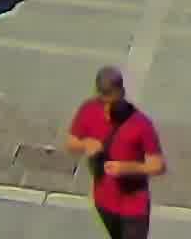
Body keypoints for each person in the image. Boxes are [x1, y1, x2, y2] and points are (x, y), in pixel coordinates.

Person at [67, 65, 165, 239]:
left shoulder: (141, 124)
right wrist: (86, 144)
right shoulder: (89, 109)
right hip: (104, 201)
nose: (107, 109)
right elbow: (70, 143)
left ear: (121, 92)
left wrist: (126, 168)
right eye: (103, 102)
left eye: (112, 102)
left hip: (134, 205)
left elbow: (157, 165)